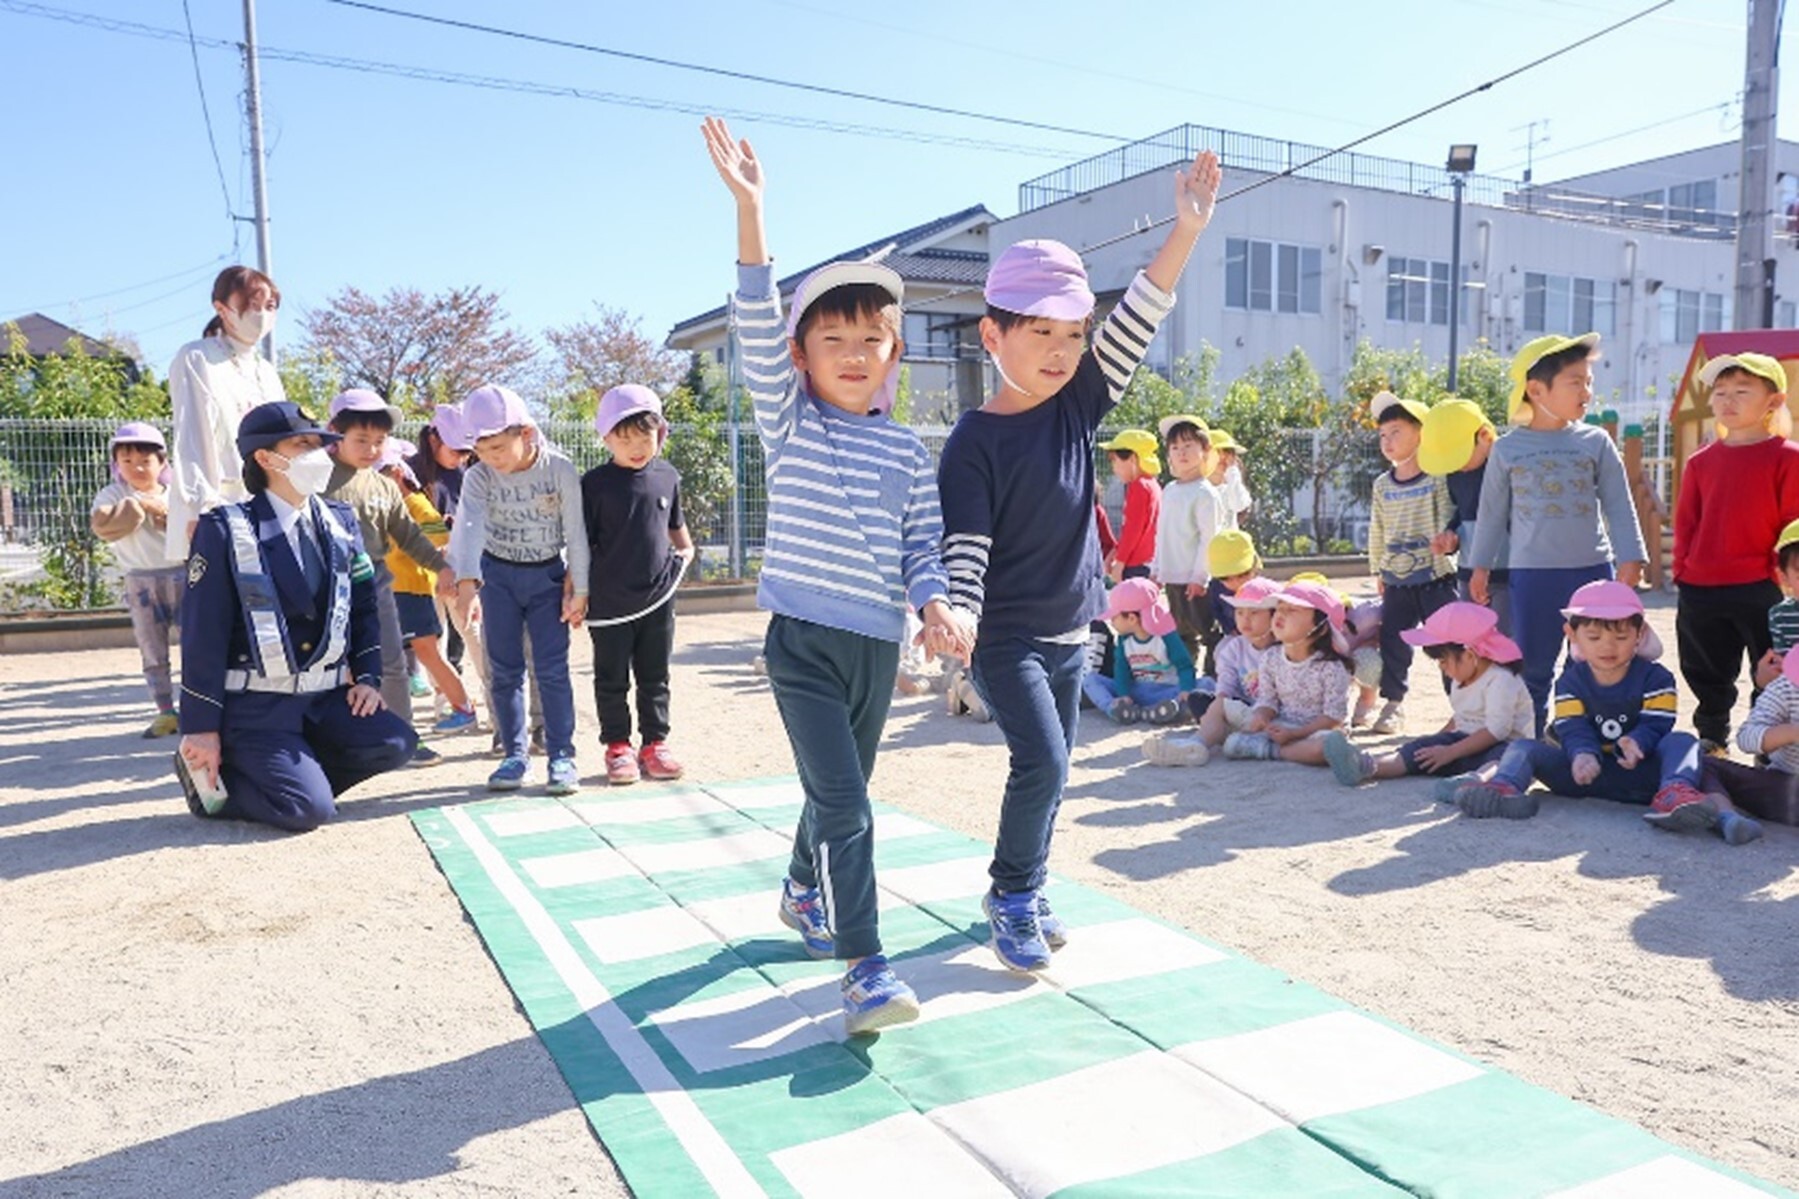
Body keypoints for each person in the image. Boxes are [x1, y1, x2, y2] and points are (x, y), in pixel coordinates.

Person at [705, 116, 972, 1034]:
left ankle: (796, 886)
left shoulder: (906, 447)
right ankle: (864, 966)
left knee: (836, 797)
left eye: (873, 338)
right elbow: (749, 316)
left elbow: (921, 549)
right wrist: (751, 212)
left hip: (873, 648)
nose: (855, 352)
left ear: (894, 352)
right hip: (803, 646)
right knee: (851, 806)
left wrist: (935, 603)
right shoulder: (790, 423)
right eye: (834, 339)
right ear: (801, 356)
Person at [937, 146, 1221, 973]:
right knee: (1046, 759)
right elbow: (966, 549)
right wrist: (955, 610)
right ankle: (1013, 894)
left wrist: (1186, 230)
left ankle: (1026, 882)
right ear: (993, 334)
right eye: (1040, 334)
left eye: (1072, 334)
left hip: (1073, 630)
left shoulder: (1078, 404)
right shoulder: (971, 443)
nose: (1061, 351)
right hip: (1004, 638)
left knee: (1052, 773)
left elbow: (1142, 309)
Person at [173, 401, 416, 831]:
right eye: (302, 445)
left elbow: (363, 606)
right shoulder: (225, 528)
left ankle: (300, 779)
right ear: (265, 458)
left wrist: (369, 678)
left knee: (395, 742)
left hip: (322, 699)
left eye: (319, 443)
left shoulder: (341, 520)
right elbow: (201, 634)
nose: (318, 454)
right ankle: (221, 789)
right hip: (256, 709)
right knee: (307, 812)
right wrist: (200, 727)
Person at [1467, 334, 1648, 733]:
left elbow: (1619, 503)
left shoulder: (1595, 441)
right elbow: (1492, 515)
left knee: (1591, 661)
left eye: (1588, 381)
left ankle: (1576, 736)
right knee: (1534, 664)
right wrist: (1479, 567)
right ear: (1536, 389)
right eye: (1575, 381)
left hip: (1593, 572)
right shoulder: (1507, 449)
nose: (1586, 391)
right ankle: (1529, 740)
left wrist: (1631, 558)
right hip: (1533, 575)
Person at [1450, 581, 1710, 831]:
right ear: (1572, 635)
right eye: (1594, 637)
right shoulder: (1570, 681)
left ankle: (1674, 793)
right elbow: (1571, 726)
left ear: (1640, 634)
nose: (1608, 646)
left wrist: (1637, 742)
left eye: (1621, 636)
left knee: (1683, 741)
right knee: (1524, 747)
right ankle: (1505, 789)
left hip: (1641, 773)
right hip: (1581, 774)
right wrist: (1583, 754)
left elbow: (1657, 722)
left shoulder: (1657, 678)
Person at [448, 384, 589, 795]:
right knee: (503, 669)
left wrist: (579, 587)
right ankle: (514, 755)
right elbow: (470, 528)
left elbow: (576, 533)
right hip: (499, 578)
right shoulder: (477, 476)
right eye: (482, 449)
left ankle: (561, 755)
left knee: (552, 669)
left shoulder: (559, 469)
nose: (491, 458)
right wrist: (468, 585)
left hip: (546, 578)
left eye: (498, 448)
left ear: (525, 433)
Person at [1672, 353, 1799, 753]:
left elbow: (1793, 525)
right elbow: (1686, 523)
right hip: (1701, 585)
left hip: (1763, 585)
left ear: (1774, 401)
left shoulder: (1788, 457)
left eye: (1742, 391)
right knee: (1705, 667)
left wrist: (1781, 579)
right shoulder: (1700, 463)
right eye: (1721, 392)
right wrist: (1682, 571)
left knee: (1774, 667)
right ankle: (1712, 738)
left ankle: (1770, 746)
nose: (1728, 400)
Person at [324, 389, 457, 765]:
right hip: (325, 584)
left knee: (392, 660)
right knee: (330, 665)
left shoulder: (384, 486)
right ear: (335, 432)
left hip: (376, 583)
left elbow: (409, 535)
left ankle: (403, 737)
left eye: (379, 442)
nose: (370, 449)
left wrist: (440, 566)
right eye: (361, 440)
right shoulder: (314, 479)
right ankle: (333, 741)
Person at [582, 383, 695, 786]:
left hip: (658, 596)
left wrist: (687, 551)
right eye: (624, 438)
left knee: (655, 674)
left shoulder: (667, 475)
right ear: (606, 437)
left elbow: (675, 526)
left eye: (644, 436)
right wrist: (575, 592)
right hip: (608, 602)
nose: (636, 447)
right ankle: (617, 747)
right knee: (611, 678)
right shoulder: (593, 485)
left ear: (659, 433)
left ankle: (655, 744)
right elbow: (581, 544)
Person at [1321, 602, 1534, 789]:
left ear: (1469, 655)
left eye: (1444, 661)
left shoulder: (1501, 680)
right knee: (1419, 749)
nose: (1442, 668)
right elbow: (1461, 716)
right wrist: (1437, 741)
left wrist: (1450, 752)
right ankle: (1365, 765)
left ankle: (1476, 781)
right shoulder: (1463, 677)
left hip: (1501, 744)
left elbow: (1497, 731)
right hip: (1464, 743)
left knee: (1504, 758)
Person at [166, 266, 285, 560]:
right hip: (218, 504)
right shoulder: (198, 357)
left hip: (266, 503)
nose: (261, 315)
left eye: (269, 307)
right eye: (251, 305)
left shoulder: (266, 371)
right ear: (222, 308)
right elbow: (192, 436)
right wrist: (200, 508)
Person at [1365, 390, 1457, 735]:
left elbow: (1448, 517)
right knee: (1393, 640)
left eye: (1396, 432)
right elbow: (1378, 528)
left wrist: (1447, 547)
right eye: (1382, 436)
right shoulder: (1381, 485)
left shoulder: (1437, 478)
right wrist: (1377, 570)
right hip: (1396, 579)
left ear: (1421, 433)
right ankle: (1393, 705)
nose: (1387, 441)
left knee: (1447, 642)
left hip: (1436, 577)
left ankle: (1461, 705)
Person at [377, 440, 478, 735]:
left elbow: (443, 539)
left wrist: (449, 576)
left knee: (429, 653)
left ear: (396, 474)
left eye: (377, 475)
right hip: (393, 590)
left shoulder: (417, 506)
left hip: (412, 590)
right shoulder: (388, 506)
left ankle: (463, 708)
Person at [90, 422, 184, 737]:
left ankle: (198, 710)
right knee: (152, 649)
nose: (137, 467)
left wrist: (156, 509)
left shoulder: (176, 494)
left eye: (145, 460)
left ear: (162, 462)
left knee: (197, 646)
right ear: (116, 464)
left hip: (183, 576)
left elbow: (188, 528)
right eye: (127, 461)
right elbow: (102, 524)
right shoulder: (113, 494)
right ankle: (165, 711)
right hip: (140, 582)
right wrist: (136, 505)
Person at [1144, 575, 1281, 767]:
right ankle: (1209, 738)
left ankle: (1200, 741)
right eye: (1240, 612)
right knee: (1200, 699)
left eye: (1254, 613)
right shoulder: (1234, 647)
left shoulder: (1282, 649)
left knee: (1219, 709)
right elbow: (1227, 681)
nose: (1245, 619)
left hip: (1274, 713)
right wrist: (1222, 699)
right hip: (1242, 707)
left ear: (1275, 616)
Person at [1219, 579, 1353, 767]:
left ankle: (1272, 750)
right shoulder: (1270, 657)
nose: (1280, 614)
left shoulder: (1332, 667)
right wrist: (1263, 715)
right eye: (1280, 608)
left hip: (1317, 730)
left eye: (1292, 610)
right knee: (1225, 711)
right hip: (1281, 724)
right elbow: (1268, 699)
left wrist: (1296, 734)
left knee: (1325, 746)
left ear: (1320, 627)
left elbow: (1333, 717)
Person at [1420, 397, 1513, 637]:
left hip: (1507, 574)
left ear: (1484, 436)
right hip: (1468, 573)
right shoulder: (1457, 474)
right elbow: (1462, 513)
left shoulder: (1511, 467)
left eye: (1459, 456)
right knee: (1472, 641)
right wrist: (1452, 538)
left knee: (1506, 644)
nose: (1456, 467)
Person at [1153, 414, 1221, 664]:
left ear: (1204, 450)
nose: (1181, 453)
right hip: (1173, 576)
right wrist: (1157, 568)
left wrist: (1200, 576)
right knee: (1181, 633)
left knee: (1208, 631)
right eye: (1175, 448)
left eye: (1189, 446)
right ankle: (1186, 682)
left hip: (1194, 579)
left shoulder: (1205, 493)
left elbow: (1209, 539)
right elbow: (1163, 533)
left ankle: (1215, 680)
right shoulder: (1169, 490)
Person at [1083, 578, 1196, 724]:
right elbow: (1121, 669)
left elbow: (1185, 665)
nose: (1111, 622)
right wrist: (1123, 694)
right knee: (1091, 680)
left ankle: (1172, 709)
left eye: (1114, 617)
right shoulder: (1124, 640)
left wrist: (1186, 690)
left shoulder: (1166, 636)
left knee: (1206, 684)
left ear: (1131, 618)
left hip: (1168, 690)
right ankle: (1116, 709)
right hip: (1137, 692)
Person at [1099, 429, 1161, 582]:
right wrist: (1114, 552)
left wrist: (1119, 563)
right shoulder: (1152, 484)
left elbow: (1133, 529)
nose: (1113, 468)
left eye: (1114, 460)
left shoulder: (1138, 486)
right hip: (1148, 562)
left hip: (1135, 566)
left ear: (1133, 458)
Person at [1201, 527, 1261, 671]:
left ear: (1254, 567)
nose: (1235, 582)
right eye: (1225, 578)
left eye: (1242, 574)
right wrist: (1229, 628)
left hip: (1263, 639)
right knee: (1222, 651)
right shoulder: (1216, 587)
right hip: (1235, 634)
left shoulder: (1262, 589)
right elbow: (1216, 609)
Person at [1208, 428, 1252, 529]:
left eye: (1228, 452)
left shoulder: (1231, 488)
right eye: (1217, 452)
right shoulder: (1197, 487)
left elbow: (1239, 504)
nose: (1223, 457)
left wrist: (1232, 470)